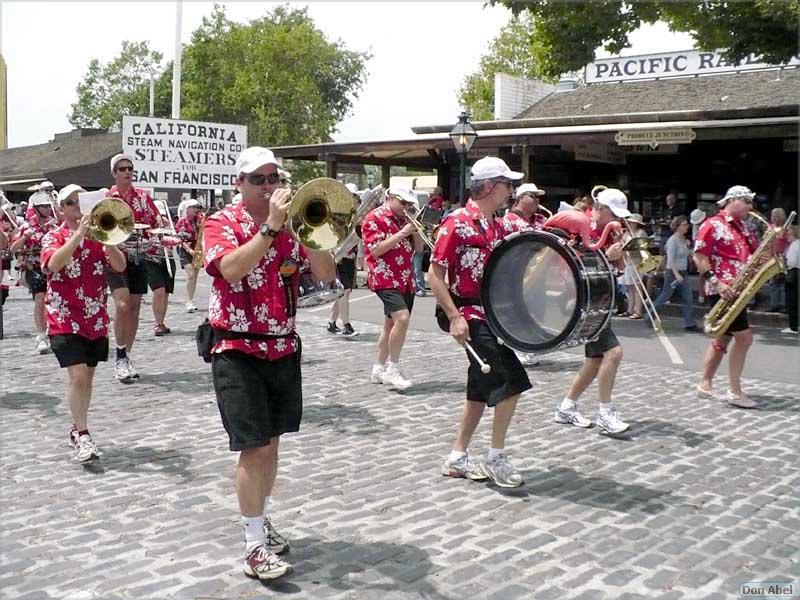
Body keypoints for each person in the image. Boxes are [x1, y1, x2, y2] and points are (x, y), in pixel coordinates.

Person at [203, 146, 335, 582]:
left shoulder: (292, 227)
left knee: (272, 445)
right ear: (238, 183)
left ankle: (259, 518)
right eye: (257, 179)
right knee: (252, 445)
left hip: (281, 345)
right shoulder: (220, 222)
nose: (267, 186)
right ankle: (253, 545)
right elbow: (230, 269)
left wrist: (313, 230)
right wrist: (269, 228)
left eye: (273, 178)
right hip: (236, 348)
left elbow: (325, 273)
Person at [429, 157, 531, 488]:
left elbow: (537, 235)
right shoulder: (456, 222)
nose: (511, 191)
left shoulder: (497, 224)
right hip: (468, 314)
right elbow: (434, 274)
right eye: (506, 184)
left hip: (491, 315)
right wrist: (455, 318)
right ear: (489, 186)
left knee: (478, 390)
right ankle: (495, 456)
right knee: (511, 381)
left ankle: (457, 457)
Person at [41, 184, 127, 462]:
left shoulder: (99, 236)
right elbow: (53, 264)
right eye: (71, 203)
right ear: (62, 208)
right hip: (63, 315)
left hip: (93, 316)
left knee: (86, 380)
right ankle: (85, 434)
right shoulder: (53, 235)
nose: (77, 207)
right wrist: (77, 235)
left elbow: (120, 266)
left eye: (81, 202)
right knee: (78, 376)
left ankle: (77, 428)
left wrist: (107, 240)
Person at [553, 188, 631, 435]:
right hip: (583, 298)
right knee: (614, 353)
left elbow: (618, 268)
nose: (617, 219)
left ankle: (566, 407)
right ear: (600, 209)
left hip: (599, 298)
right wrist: (607, 257)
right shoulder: (580, 225)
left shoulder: (608, 229)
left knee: (595, 359)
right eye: (614, 214)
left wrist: (618, 256)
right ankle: (605, 412)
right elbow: (573, 264)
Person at [694, 185, 760, 408]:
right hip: (724, 290)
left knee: (721, 339)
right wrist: (717, 282)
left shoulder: (743, 227)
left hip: (738, 289)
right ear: (733, 200)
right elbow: (699, 256)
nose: (750, 207)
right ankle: (735, 390)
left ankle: (705, 383)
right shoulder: (711, 224)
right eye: (747, 202)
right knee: (745, 337)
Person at [106, 153, 164, 382]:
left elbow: (155, 222)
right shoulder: (107, 198)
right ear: (114, 173)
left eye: (130, 168)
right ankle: (119, 356)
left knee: (135, 308)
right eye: (122, 169)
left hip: (139, 255)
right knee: (122, 304)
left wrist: (158, 231)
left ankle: (126, 355)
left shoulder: (143, 196)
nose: (127, 172)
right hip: (115, 256)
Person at [362, 186, 423, 390]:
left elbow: (420, 250)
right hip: (385, 276)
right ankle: (393, 368)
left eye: (409, 204)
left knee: (390, 325)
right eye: (403, 202)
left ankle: (378, 368)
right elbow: (376, 249)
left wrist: (416, 230)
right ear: (390, 197)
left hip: (404, 277)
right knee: (402, 318)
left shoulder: (404, 219)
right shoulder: (374, 217)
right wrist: (402, 233)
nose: (406, 207)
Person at [10, 191, 57, 353]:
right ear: (36, 209)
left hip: (52, 267)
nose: (47, 209)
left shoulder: (54, 225)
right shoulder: (26, 226)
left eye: (48, 206)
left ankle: (55, 331)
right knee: (40, 299)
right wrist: (24, 238)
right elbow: (13, 248)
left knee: (54, 301)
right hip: (34, 267)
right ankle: (41, 335)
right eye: (43, 206)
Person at [652, 215, 698, 331]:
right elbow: (670, 259)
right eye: (684, 225)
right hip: (673, 273)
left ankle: (690, 323)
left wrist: (690, 249)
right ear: (677, 226)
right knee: (665, 296)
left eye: (687, 224)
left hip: (683, 272)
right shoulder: (672, 240)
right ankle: (650, 314)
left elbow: (688, 255)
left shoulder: (683, 239)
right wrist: (676, 274)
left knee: (688, 298)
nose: (687, 227)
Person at [328, 184, 360, 337]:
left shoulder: (353, 215)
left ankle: (332, 322)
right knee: (344, 291)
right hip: (338, 257)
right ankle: (346, 325)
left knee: (342, 292)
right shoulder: (336, 215)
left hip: (349, 257)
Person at [175, 199, 204, 313]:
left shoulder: (199, 220)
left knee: (195, 276)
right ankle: (188, 301)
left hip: (197, 249)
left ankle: (190, 299)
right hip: (185, 249)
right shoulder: (182, 221)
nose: (196, 210)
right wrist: (189, 250)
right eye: (193, 207)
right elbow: (180, 239)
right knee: (191, 274)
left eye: (196, 207)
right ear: (187, 209)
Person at [620, 214, 648, 319]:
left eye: (632, 222)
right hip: (628, 261)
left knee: (637, 286)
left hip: (637, 261)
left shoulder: (641, 233)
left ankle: (638, 311)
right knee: (629, 286)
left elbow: (644, 247)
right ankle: (629, 309)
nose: (630, 224)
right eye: (629, 222)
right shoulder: (626, 233)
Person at [766, 208, 789, 312]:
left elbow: (790, 244)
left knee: (783, 283)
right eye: (772, 216)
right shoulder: (770, 228)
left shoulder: (787, 228)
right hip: (772, 257)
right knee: (773, 283)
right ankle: (774, 305)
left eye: (776, 216)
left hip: (784, 257)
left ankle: (784, 305)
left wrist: (784, 256)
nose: (773, 218)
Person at [782, 225, 799, 335]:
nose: (787, 236)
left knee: (792, 301)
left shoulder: (794, 245)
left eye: (788, 233)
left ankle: (793, 327)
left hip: (793, 273)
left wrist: (784, 261)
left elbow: (791, 262)